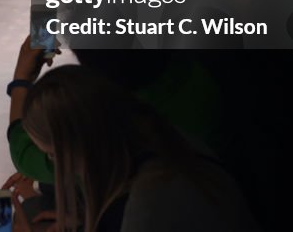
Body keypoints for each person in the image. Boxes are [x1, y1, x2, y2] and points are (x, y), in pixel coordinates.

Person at [21, 64, 259, 231]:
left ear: (81, 145)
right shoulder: (167, 140)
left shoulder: (148, 204)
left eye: (53, 154)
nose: (55, 164)